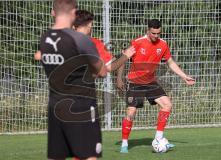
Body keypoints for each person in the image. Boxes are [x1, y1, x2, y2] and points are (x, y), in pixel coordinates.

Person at [39, 0, 107, 159]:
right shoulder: (81, 39)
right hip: (80, 106)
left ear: (53, 12)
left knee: (57, 155)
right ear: (73, 12)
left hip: (55, 106)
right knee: (89, 154)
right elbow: (102, 71)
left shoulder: (44, 38)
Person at [117, 19, 195, 153]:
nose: (156, 36)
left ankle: (158, 139)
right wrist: (119, 78)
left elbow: (170, 63)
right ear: (148, 30)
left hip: (151, 82)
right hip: (135, 83)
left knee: (167, 105)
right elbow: (123, 59)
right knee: (131, 112)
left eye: (158, 33)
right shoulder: (137, 42)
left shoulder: (163, 44)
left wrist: (184, 76)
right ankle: (124, 143)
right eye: (153, 33)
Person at [35, 9, 135, 72]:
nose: (90, 29)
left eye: (90, 26)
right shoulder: (94, 43)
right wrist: (125, 56)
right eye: (88, 26)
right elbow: (109, 67)